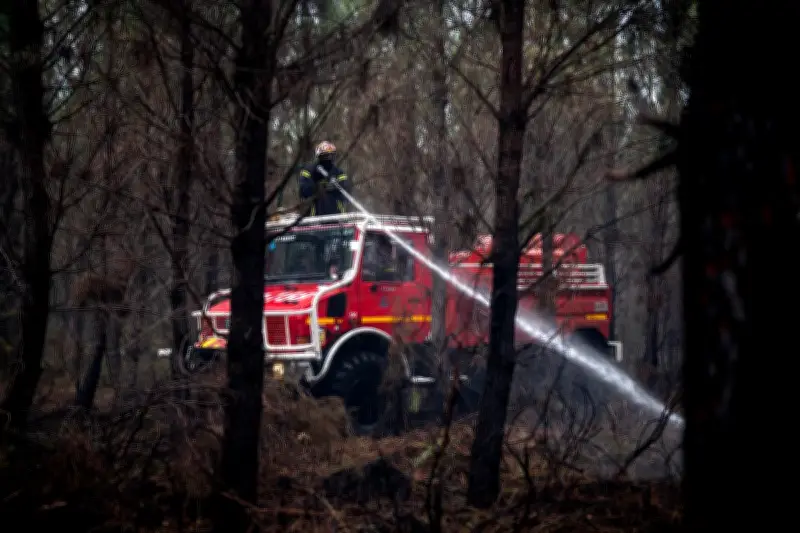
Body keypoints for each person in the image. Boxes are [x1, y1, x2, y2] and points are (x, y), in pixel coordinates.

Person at [299, 141, 352, 216]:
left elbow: (347, 193)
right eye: (325, 156)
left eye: (331, 155)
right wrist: (320, 186)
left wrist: (336, 187)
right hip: (314, 216)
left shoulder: (339, 173)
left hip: (337, 216)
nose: (328, 158)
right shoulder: (309, 171)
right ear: (319, 156)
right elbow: (303, 191)